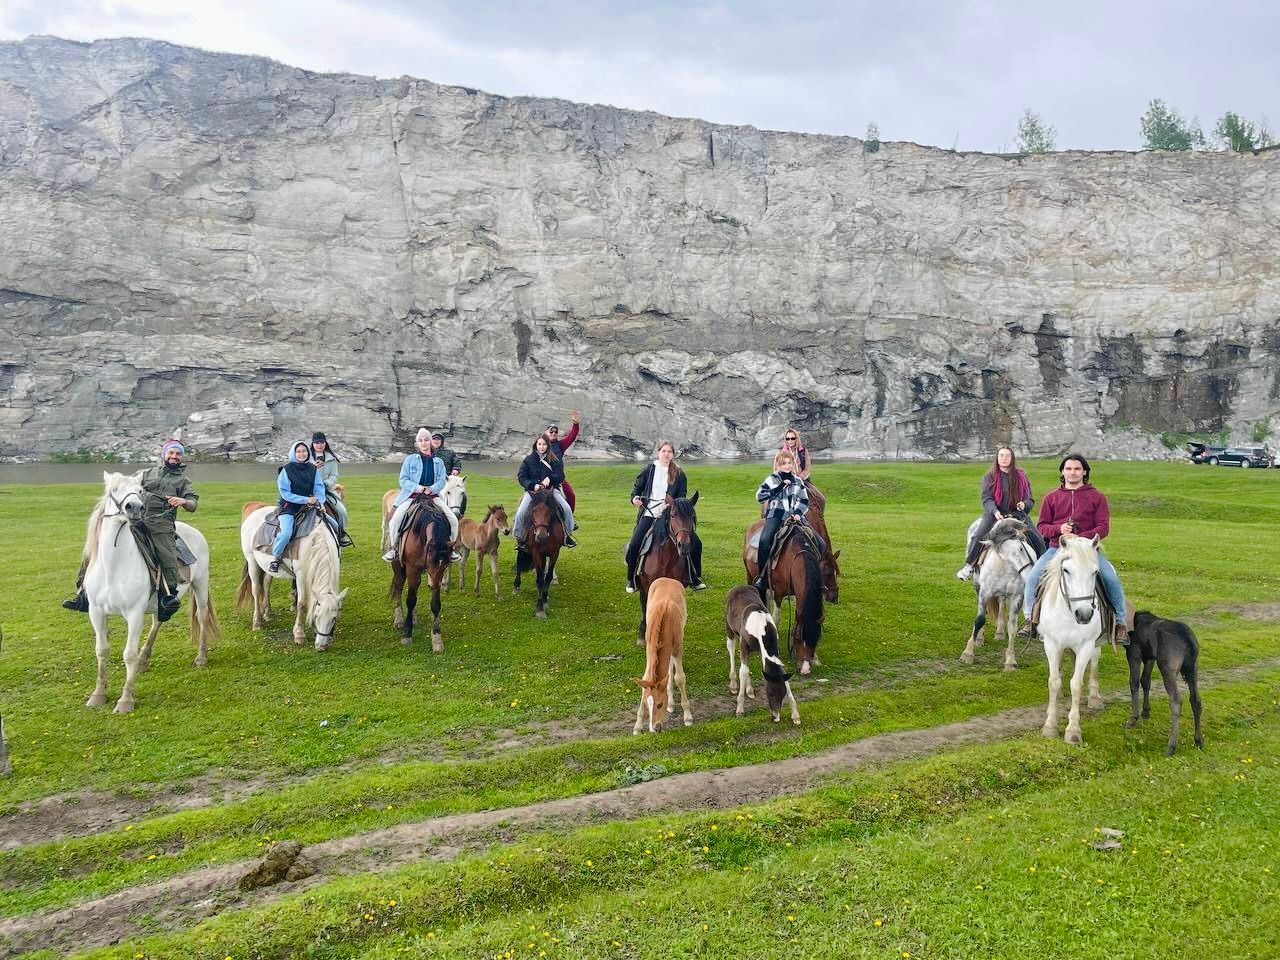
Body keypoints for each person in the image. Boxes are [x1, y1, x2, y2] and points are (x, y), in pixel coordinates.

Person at [61, 438, 199, 621]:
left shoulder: (183, 481)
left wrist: (184, 501)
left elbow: (193, 503)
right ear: (164, 454)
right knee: (97, 546)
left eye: (178, 453)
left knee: (166, 552)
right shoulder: (145, 474)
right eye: (171, 452)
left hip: (161, 524)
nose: (174, 456)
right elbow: (127, 485)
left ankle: (168, 595)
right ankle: (82, 592)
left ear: (181, 457)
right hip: (137, 519)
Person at [1018, 453, 1129, 645]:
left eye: (1077, 469)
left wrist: (1081, 537)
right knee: (1033, 577)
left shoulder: (1097, 497)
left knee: (1111, 578)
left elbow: (1103, 527)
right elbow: (1042, 526)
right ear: (1062, 472)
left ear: (1084, 472)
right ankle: (1029, 620)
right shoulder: (1051, 498)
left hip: (1087, 551)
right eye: (1068, 469)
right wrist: (1059, 529)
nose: (1072, 472)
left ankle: (1120, 623)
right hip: (1057, 549)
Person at [624, 440, 706, 593]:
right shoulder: (648, 470)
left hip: (670, 515)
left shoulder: (679, 474)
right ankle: (631, 579)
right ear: (658, 453)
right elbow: (636, 490)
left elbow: (681, 496)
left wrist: (673, 505)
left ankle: (694, 577)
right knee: (634, 543)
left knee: (696, 543)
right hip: (649, 513)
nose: (666, 454)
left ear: (673, 454)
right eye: (663, 451)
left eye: (669, 452)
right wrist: (635, 499)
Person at [956, 446, 1046, 580]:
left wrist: (1024, 504)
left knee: (1038, 539)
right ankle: (969, 565)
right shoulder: (989, 477)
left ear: (1012, 458)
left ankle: (1043, 570)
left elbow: (1030, 499)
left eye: (1007, 456)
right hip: (995, 515)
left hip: (1018, 515)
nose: (1004, 458)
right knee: (978, 536)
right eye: (1001, 455)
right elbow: (987, 499)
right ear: (997, 458)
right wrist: (994, 511)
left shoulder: (1021, 476)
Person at [382, 428, 460, 562]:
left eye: (426, 440)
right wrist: (418, 488)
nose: (423, 443)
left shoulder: (438, 462)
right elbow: (403, 480)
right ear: (418, 443)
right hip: (412, 496)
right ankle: (394, 549)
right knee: (395, 520)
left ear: (430, 442)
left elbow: (442, 481)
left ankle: (450, 549)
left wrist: (432, 489)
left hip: (432, 497)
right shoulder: (410, 460)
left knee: (453, 520)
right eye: (420, 440)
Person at [752, 448, 810, 596]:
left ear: (793, 463)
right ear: (778, 465)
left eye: (789, 463)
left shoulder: (798, 481)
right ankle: (762, 577)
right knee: (765, 540)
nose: (787, 466)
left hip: (794, 517)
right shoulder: (772, 479)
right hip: (776, 515)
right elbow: (760, 496)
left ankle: (817, 573)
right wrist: (779, 487)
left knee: (817, 540)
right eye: (784, 463)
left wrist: (798, 513)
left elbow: (804, 500)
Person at [269, 440, 326, 573]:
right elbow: (285, 494)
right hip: (289, 507)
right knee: (286, 533)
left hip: (309, 506)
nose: (301, 454)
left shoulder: (313, 469)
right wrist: (306, 499)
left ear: (308, 452)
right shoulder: (286, 470)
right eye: (298, 451)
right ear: (294, 454)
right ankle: (275, 558)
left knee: (332, 524)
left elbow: (318, 487)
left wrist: (321, 503)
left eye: (304, 451)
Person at [512, 433, 577, 548]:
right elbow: (522, 477)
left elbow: (560, 475)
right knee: (521, 513)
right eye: (539, 444)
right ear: (535, 445)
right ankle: (519, 538)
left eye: (544, 444)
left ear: (548, 445)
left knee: (566, 508)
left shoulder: (554, 459)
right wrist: (532, 485)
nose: (541, 447)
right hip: (533, 492)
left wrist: (550, 479)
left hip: (551, 491)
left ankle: (567, 535)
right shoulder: (528, 460)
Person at [311, 431, 352, 544]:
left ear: (325, 443)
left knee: (342, 511)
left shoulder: (331, 458)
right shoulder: (307, 458)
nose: (319, 445)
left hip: (326, 491)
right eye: (317, 442)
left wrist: (326, 483)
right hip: (309, 492)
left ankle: (342, 534)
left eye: (322, 442)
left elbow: (334, 475)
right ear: (313, 444)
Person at [546, 410, 581, 511]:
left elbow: (571, 436)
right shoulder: (540, 445)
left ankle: (570, 517)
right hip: (543, 478)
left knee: (571, 495)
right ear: (546, 432)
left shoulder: (560, 445)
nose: (553, 433)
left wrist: (575, 424)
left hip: (559, 479)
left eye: (555, 432)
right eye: (551, 431)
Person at [430, 432, 467, 518]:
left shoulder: (449, 452)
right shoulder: (428, 452)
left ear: (441, 441)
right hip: (432, 480)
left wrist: (456, 469)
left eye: (438, 439)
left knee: (463, 494)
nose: (436, 441)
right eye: (434, 439)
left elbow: (457, 462)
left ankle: (460, 514)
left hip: (448, 480)